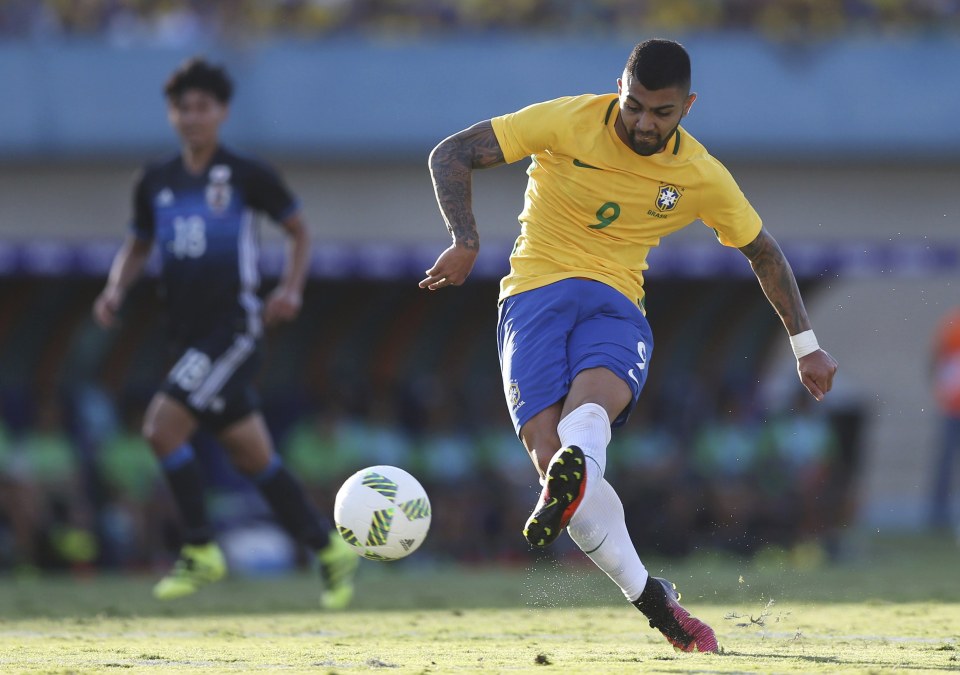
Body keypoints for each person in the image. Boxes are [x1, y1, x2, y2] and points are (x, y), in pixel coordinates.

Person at [419, 38, 838, 652]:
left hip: (615, 301)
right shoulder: (567, 120)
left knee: (587, 420)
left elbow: (763, 251)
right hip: (533, 293)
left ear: (687, 107)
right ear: (620, 86)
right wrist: (464, 237)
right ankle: (654, 599)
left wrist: (806, 345)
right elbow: (451, 153)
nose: (643, 122)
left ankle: (581, 464)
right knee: (552, 461)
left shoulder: (699, 175)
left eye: (660, 112)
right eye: (633, 105)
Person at [92, 57, 357, 607]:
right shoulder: (156, 181)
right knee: (253, 456)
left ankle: (199, 549)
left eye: (202, 107)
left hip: (233, 329)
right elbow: (138, 244)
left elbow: (298, 231)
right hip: (186, 337)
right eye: (182, 108)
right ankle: (327, 547)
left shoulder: (245, 174)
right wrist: (116, 288)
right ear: (172, 114)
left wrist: (290, 288)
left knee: (160, 429)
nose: (192, 117)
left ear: (222, 112)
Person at [929, 306, 960, 529]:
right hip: (952, 407)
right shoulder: (951, 325)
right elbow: (936, 361)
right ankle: (938, 514)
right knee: (945, 462)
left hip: (950, 405)